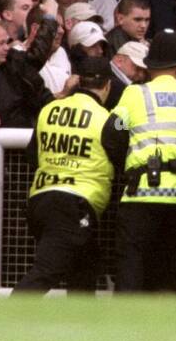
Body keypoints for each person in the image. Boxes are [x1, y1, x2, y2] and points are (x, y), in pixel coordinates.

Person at [15, 56, 126, 293]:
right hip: (74, 206)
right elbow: (122, 154)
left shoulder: (49, 109)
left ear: (76, 81)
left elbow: (32, 156)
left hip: (40, 202)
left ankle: (80, 328)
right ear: (107, 86)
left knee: (85, 269)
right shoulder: (108, 119)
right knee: (46, 271)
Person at [111, 30, 176, 292]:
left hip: (143, 193)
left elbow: (112, 133)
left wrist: (125, 166)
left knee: (132, 263)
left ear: (149, 66)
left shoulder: (135, 93)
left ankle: (127, 326)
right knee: (171, 269)